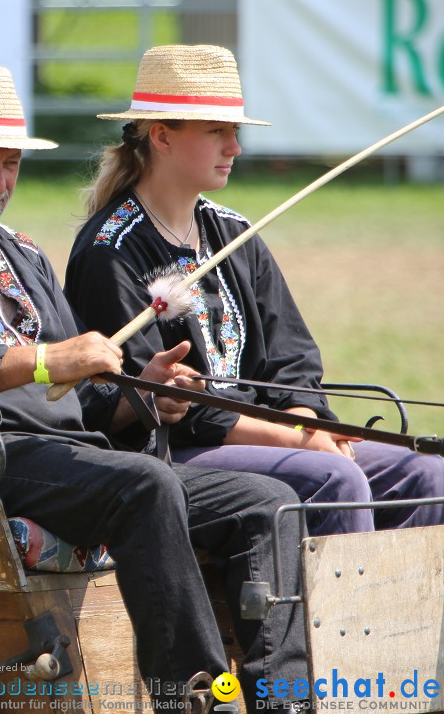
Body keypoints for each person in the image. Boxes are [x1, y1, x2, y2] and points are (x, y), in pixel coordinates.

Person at [0, 64, 308, 711]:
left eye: (10, 164)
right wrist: (48, 358)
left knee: (268, 501)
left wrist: (144, 395)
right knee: (147, 485)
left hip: (61, 460)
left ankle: (286, 700)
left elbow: (82, 402)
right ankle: (196, 699)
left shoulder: (21, 254)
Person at [63, 45, 444, 536]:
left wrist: (307, 423)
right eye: (216, 132)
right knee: (334, 478)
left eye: (235, 132)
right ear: (162, 136)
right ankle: (327, 617)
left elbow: (294, 362)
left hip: (272, 437)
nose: (234, 148)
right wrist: (296, 441)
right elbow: (157, 402)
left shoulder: (236, 234)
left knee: (426, 473)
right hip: (171, 453)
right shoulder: (109, 249)